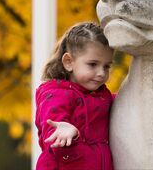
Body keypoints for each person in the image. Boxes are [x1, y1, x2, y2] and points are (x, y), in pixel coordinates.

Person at [35, 21, 115, 170]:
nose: (101, 73)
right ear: (68, 62)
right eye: (92, 64)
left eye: (107, 66)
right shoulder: (56, 94)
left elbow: (123, 105)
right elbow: (51, 130)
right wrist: (66, 133)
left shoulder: (103, 97)